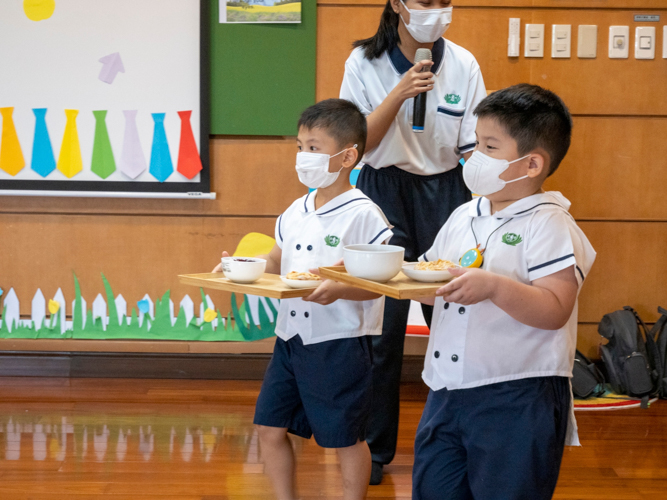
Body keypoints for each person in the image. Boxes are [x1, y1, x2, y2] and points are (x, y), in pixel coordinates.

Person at [411, 84, 596, 499]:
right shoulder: (464, 214)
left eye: (490, 147)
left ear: (531, 164)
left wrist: (493, 286)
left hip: (517, 394)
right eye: (476, 143)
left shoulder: (549, 223)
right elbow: (434, 286)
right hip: (446, 389)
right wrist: (391, 279)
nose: (475, 156)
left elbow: (554, 309)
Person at [213, 99, 393, 500]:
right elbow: (277, 259)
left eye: (314, 147)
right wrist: (243, 264)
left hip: (339, 342)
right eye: (299, 146)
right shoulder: (296, 209)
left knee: (345, 438)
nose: (303, 156)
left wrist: (340, 288)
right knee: (270, 428)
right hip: (290, 338)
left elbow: (380, 282)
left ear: (347, 156)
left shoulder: (364, 214)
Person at [339, 0, 487, 484]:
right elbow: (360, 145)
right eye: (425, 1)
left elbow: (474, 145)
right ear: (398, 4)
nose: (436, 10)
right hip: (383, 187)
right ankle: (376, 451)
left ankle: (460, 440)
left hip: (446, 190)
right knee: (383, 331)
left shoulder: (463, 63)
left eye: (444, 1)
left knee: (453, 318)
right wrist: (399, 93)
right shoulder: (364, 62)